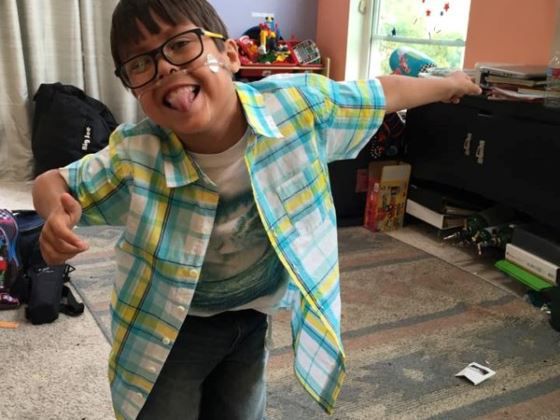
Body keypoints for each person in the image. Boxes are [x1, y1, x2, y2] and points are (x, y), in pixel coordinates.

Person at [32, 0, 482, 418]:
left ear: (229, 55)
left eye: (181, 44)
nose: (164, 67)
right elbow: (52, 182)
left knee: (242, 411)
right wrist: (55, 213)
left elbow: (381, 92)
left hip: (253, 315)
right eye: (140, 64)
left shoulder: (298, 107)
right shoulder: (136, 152)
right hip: (168, 329)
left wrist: (449, 84)